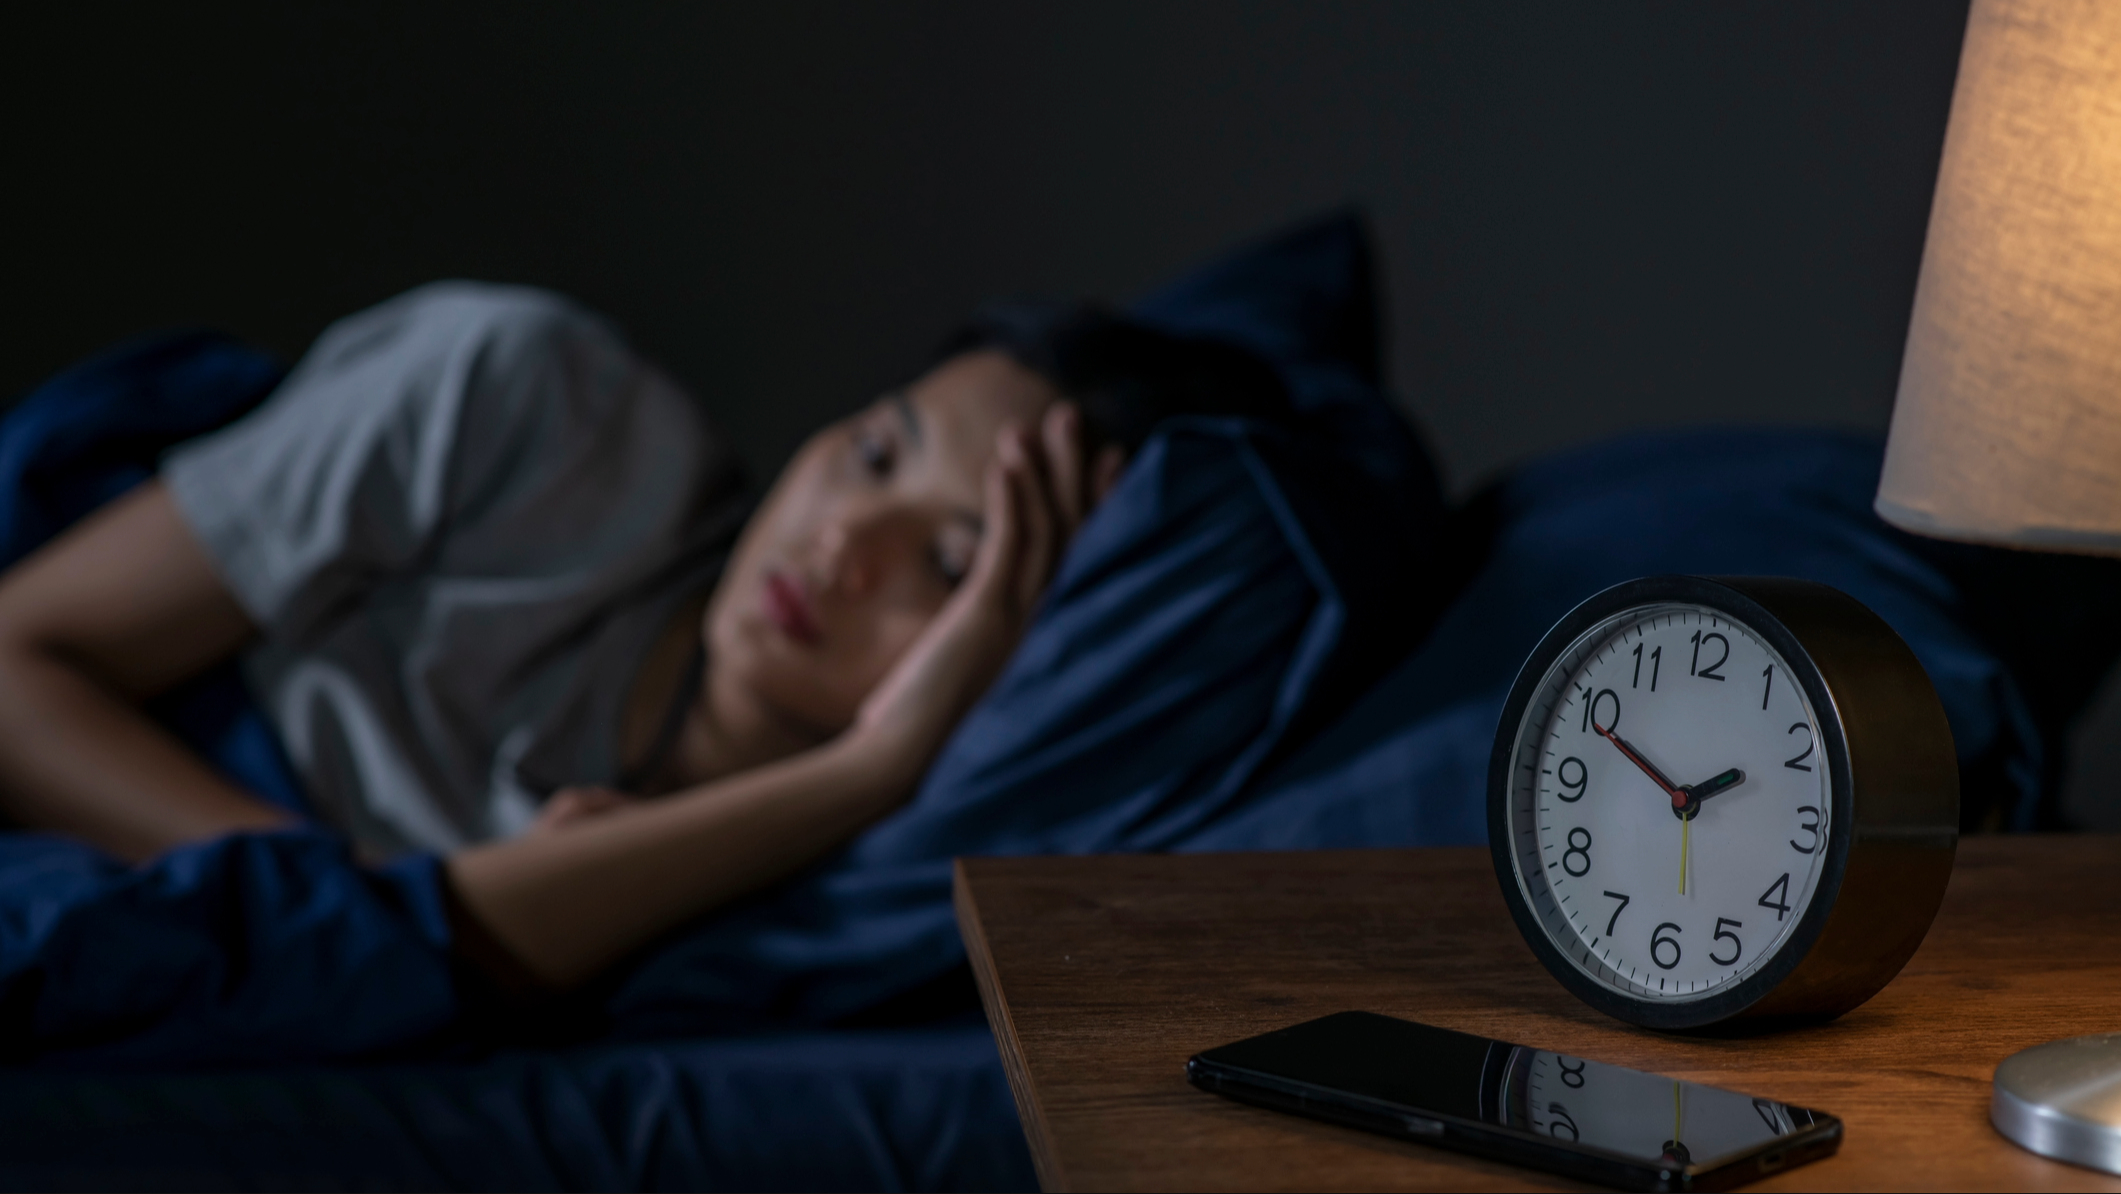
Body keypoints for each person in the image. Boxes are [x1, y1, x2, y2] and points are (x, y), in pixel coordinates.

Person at [0, 283, 1285, 994]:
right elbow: (15, 664)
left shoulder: (808, 897)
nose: (846, 542)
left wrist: (871, 776)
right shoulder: (534, 406)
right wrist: (355, 906)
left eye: (952, 563)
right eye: (876, 452)